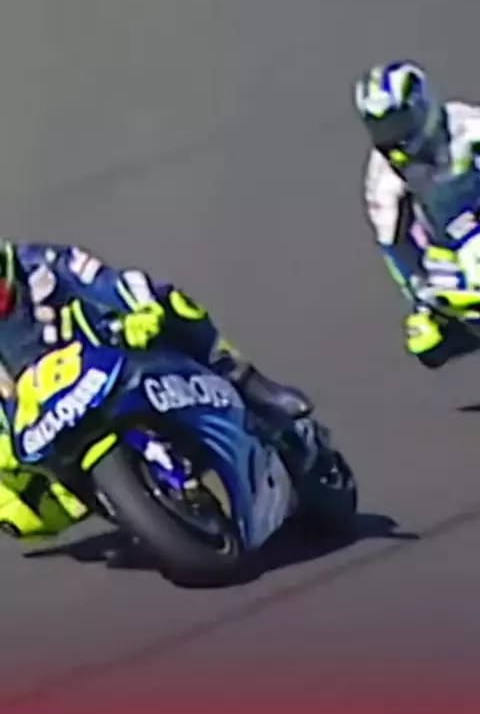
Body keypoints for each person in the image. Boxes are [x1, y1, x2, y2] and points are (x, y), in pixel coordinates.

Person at [0, 240, 312, 542]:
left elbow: (109, 280)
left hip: (107, 354)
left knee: (173, 304)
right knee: (17, 508)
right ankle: (123, 501)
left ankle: (249, 382)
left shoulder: (40, 262)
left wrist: (142, 309)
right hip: (42, 421)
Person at [354, 59, 480, 368]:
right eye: (381, 129)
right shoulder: (383, 174)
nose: (393, 137)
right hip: (451, 252)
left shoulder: (469, 128)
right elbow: (395, 246)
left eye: (398, 124)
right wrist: (422, 296)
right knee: (425, 341)